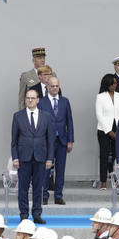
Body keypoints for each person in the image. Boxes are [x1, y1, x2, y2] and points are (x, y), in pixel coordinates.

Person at [11, 90, 54, 224]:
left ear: (38, 100)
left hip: (40, 157)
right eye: (28, 98)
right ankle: (24, 214)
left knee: (38, 187)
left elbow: (50, 140)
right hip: (23, 157)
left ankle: (36, 214)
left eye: (32, 98)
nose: (30, 100)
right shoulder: (18, 116)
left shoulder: (46, 116)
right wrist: (15, 158)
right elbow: (14, 140)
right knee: (23, 188)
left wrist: (50, 158)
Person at [38, 76, 73, 205]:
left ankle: (58, 195)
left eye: (56, 86)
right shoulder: (41, 102)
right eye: (52, 86)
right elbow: (39, 123)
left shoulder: (65, 101)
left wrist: (70, 140)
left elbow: (70, 122)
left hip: (62, 141)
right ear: (47, 87)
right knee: (45, 169)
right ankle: (44, 195)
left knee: (61, 169)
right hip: (47, 141)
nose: (54, 88)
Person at [95, 73, 119, 190]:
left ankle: (118, 181)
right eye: (113, 83)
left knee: (118, 156)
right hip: (103, 130)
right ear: (107, 84)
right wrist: (109, 132)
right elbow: (99, 115)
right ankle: (103, 182)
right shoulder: (100, 97)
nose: (115, 85)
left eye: (116, 83)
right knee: (104, 156)